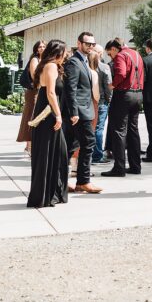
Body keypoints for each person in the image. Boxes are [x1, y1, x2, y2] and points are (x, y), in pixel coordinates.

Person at [27, 39, 69, 208]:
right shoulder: (50, 66)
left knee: (55, 152)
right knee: (51, 153)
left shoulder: (45, 65)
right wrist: (58, 115)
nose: (66, 55)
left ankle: (51, 192)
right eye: (64, 52)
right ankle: (45, 195)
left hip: (44, 111)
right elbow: (51, 93)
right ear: (58, 52)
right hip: (49, 113)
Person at [63, 31, 102, 194]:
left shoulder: (84, 61)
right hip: (78, 112)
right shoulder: (74, 62)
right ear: (79, 44)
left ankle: (62, 180)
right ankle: (83, 181)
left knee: (71, 146)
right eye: (88, 44)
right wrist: (74, 112)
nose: (91, 47)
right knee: (88, 143)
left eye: (93, 44)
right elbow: (70, 89)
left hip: (83, 110)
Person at [102, 38, 144, 177]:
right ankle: (135, 166)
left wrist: (112, 85)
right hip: (138, 94)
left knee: (119, 131)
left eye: (109, 54)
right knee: (133, 130)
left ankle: (119, 167)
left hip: (124, 94)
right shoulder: (136, 54)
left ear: (114, 49)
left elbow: (121, 73)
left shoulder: (121, 55)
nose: (111, 57)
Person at [17, 40, 46, 154]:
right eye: (40, 47)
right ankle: (29, 146)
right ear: (36, 49)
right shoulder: (35, 60)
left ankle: (33, 145)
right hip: (34, 91)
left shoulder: (45, 60)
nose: (42, 48)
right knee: (31, 115)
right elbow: (35, 77)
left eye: (44, 46)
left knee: (38, 116)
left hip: (41, 91)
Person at [91, 45, 111, 164]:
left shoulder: (86, 67)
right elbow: (108, 86)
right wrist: (109, 99)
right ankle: (97, 155)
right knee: (99, 128)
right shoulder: (104, 67)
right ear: (100, 53)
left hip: (89, 102)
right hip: (102, 101)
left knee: (91, 128)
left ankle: (90, 153)